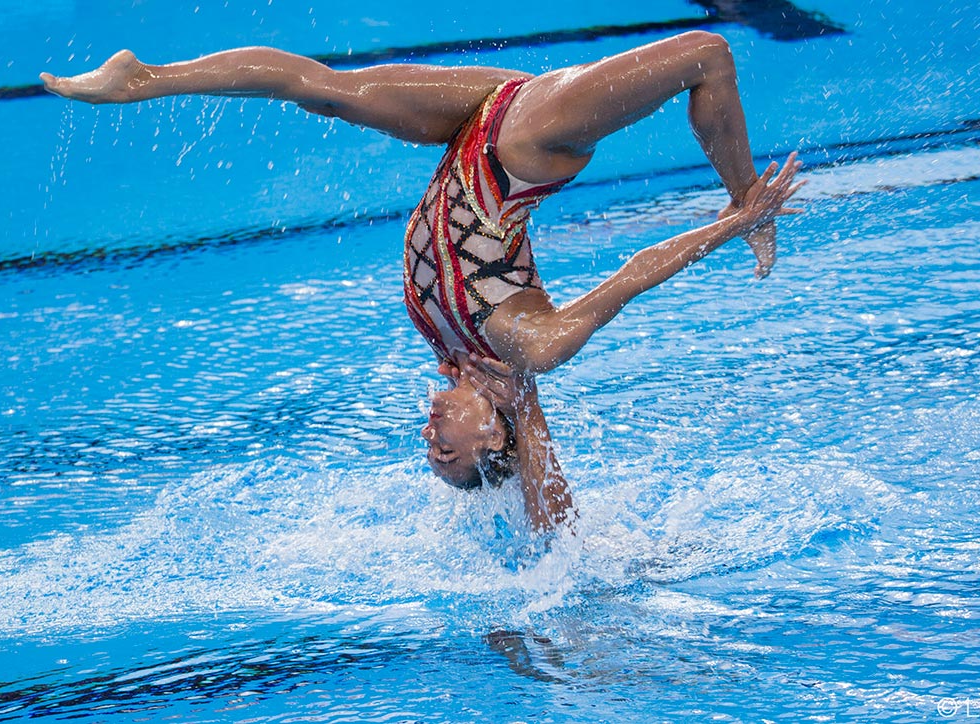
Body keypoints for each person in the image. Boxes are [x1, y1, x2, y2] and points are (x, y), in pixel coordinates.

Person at [41, 31, 804, 535]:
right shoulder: (534, 345)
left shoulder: (450, 347)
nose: (430, 433)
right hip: (524, 142)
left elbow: (530, 499)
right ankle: (746, 192)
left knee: (328, 90)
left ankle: (143, 78)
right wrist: (737, 218)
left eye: (428, 447)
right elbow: (632, 277)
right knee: (708, 54)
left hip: (474, 119)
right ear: (495, 432)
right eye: (448, 448)